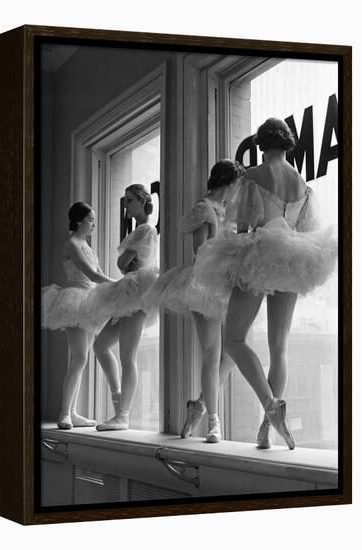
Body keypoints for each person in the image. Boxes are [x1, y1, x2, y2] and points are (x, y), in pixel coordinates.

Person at [193, 118, 338, 449]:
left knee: (233, 338)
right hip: (293, 258)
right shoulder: (303, 184)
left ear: (261, 144)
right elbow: (304, 229)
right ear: (287, 143)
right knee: (280, 347)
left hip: (259, 256)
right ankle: (265, 431)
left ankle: (271, 406)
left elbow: (244, 225)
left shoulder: (254, 176)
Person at [144, 160, 243, 443]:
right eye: (237, 185)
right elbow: (200, 253)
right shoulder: (204, 209)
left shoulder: (229, 211)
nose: (238, 191)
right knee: (212, 352)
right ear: (228, 182)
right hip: (204, 283)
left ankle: (199, 405)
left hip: (227, 284)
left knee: (236, 349)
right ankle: (213, 420)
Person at [42, 202, 115, 430]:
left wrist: (115, 285)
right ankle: (65, 413)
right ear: (81, 220)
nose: (94, 223)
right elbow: (91, 273)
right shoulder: (72, 243)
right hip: (75, 300)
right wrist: (119, 284)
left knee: (81, 358)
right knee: (79, 357)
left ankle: (71, 412)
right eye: (91, 219)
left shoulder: (86, 245)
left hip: (90, 299)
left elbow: (99, 273)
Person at [91, 184, 159, 431]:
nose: (126, 205)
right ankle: (118, 396)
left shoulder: (146, 229)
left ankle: (123, 415)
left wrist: (126, 262)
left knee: (127, 356)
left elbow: (124, 262)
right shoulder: (140, 230)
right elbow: (123, 263)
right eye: (125, 200)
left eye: (130, 200)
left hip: (137, 292)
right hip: (129, 291)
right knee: (100, 345)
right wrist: (125, 262)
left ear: (142, 202)